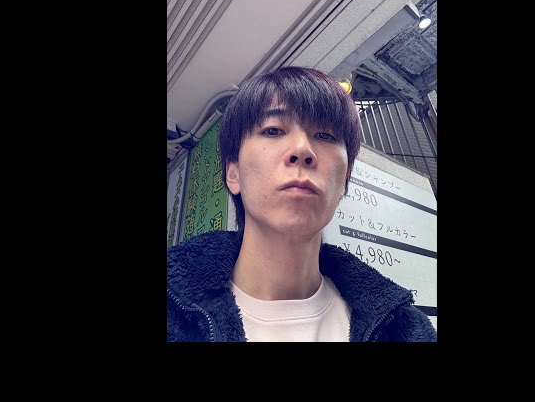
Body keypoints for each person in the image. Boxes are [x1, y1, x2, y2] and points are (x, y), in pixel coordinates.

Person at [167, 66, 437, 342]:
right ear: (233, 173)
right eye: (273, 130)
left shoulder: (403, 328)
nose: (302, 149)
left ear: (344, 179)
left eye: (325, 135)